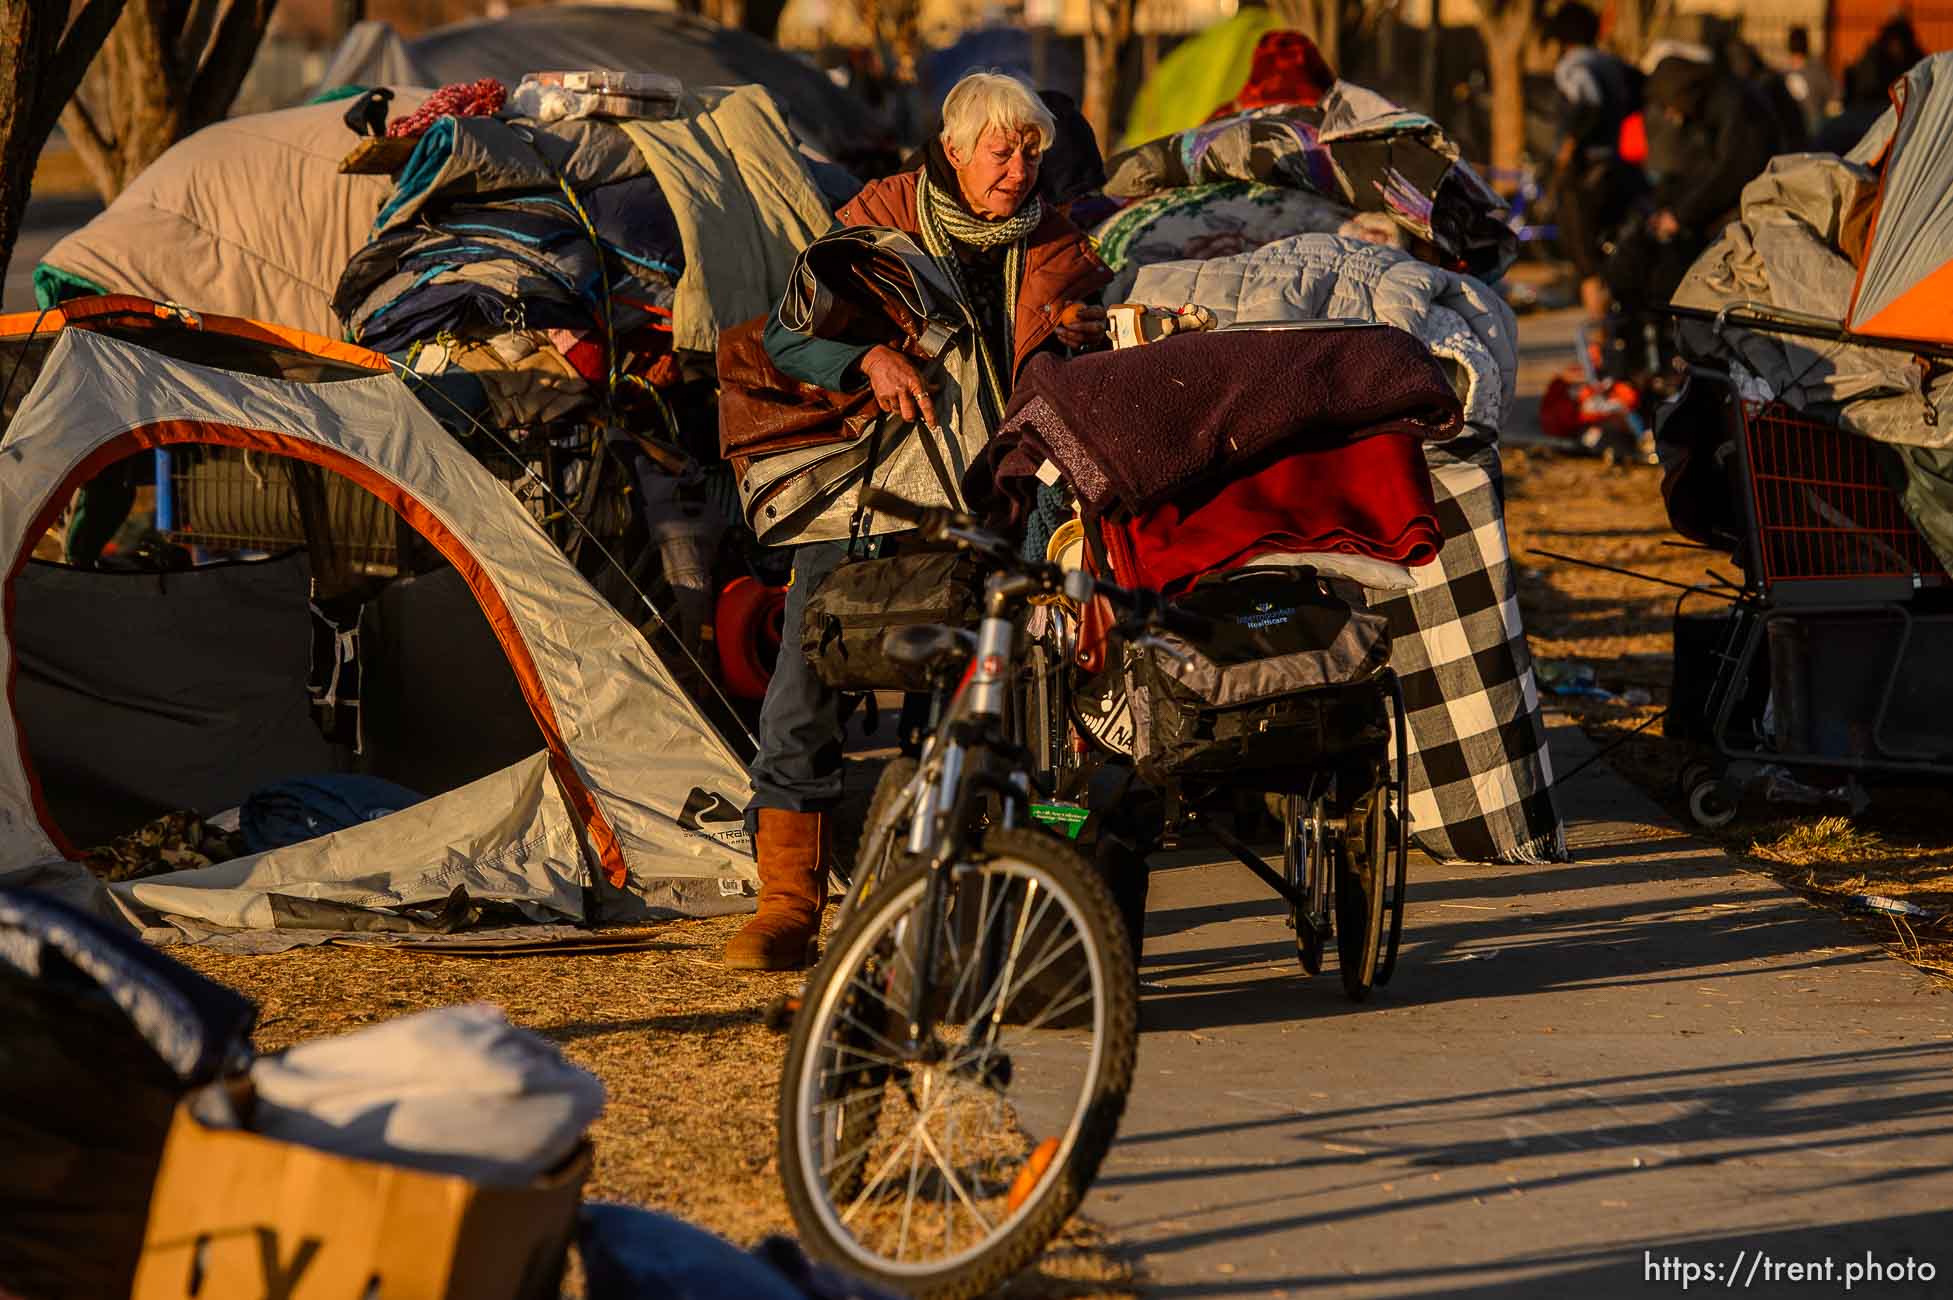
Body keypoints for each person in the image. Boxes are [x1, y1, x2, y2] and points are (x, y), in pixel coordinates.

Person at [722, 72, 1112, 971]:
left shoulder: (1053, 240)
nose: (1016, 169)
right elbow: (785, 338)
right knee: (808, 677)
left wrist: (1079, 333)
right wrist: (867, 356)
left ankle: (945, 894)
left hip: (993, 491)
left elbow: (1072, 349)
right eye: (1000, 150)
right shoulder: (881, 213)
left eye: (1030, 152)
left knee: (985, 691)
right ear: (954, 147)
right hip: (870, 484)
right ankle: (787, 907)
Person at [1607, 56, 1783, 314]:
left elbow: (1731, 172)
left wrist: (1682, 214)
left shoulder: (1733, 104)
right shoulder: (1719, 103)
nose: (1670, 115)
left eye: (1669, 105)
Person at [1541, 2, 1644, 322]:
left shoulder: (1572, 66)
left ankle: (1600, 339)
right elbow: (1639, 90)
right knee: (1611, 256)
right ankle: (1615, 337)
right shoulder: (1612, 63)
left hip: (1585, 173)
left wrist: (1570, 145)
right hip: (1615, 167)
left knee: (1586, 260)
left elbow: (1588, 103)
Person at [1781, 25, 1839, 136]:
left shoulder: (1782, 74)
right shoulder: (1818, 71)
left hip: (1790, 127)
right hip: (1814, 126)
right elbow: (1835, 97)